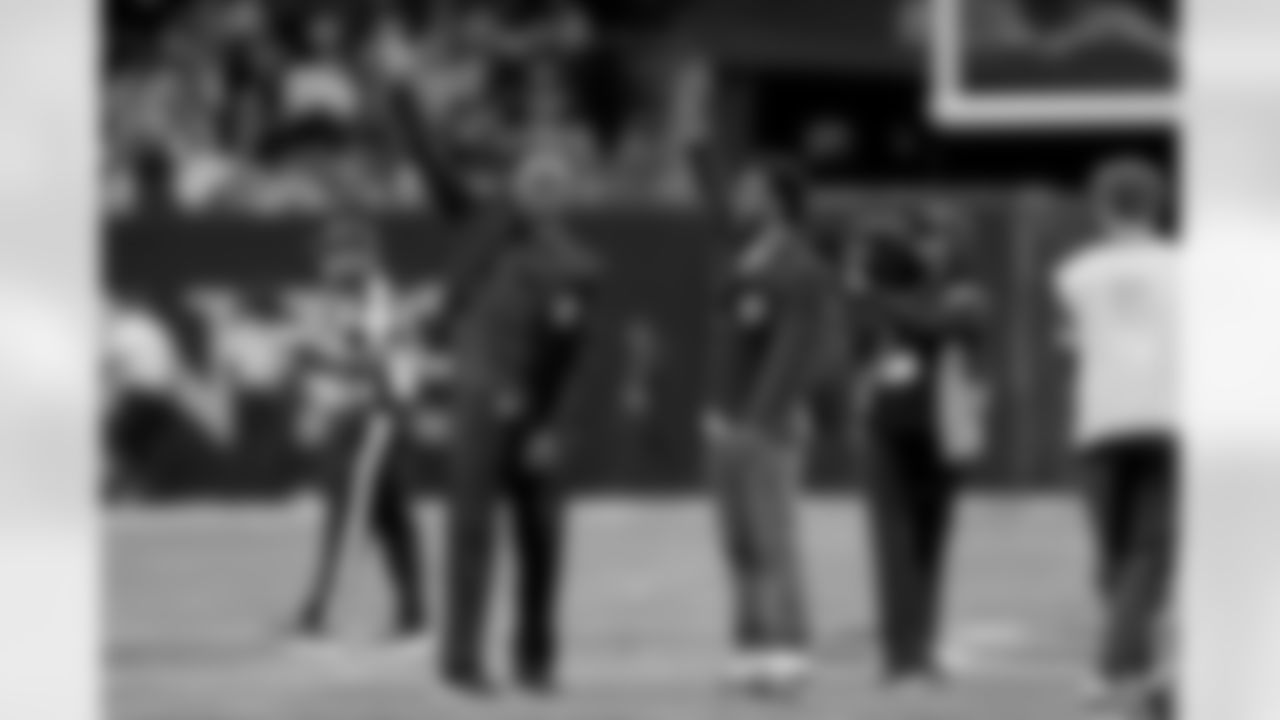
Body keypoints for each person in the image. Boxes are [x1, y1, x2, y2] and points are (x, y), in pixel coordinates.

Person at [393, 89, 602, 695]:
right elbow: (435, 169)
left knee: (540, 538)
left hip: (532, 411)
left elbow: (576, 359)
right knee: (469, 531)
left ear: (565, 196)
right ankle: (461, 660)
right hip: (478, 402)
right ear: (515, 187)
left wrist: (552, 426)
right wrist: (403, 100)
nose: (537, 191)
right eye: (529, 180)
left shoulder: (580, 266)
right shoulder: (481, 226)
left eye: (550, 183)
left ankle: (535, 659)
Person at [690, 138, 844, 694]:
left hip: (766, 425)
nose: (737, 197)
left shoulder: (798, 264)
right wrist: (699, 147)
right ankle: (751, 646)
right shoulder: (743, 254)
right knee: (738, 544)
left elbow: (797, 348)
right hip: (725, 420)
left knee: (773, 539)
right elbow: (714, 205)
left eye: (749, 190)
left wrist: (759, 419)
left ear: (776, 201)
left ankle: (790, 648)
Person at [1053, 158, 1177, 716]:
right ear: (1158, 205)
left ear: (1102, 208)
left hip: (1102, 420)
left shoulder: (1075, 272)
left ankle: (1130, 669)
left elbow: (1070, 346)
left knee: (1115, 555)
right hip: (1170, 418)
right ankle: (1132, 667)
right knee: (1150, 553)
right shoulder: (1190, 267)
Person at [847, 211, 983, 689]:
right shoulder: (881, 297)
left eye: (939, 241)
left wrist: (876, 296)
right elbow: (860, 349)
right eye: (921, 241)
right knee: (891, 544)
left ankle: (922, 650)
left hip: (942, 433)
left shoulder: (963, 298)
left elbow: (934, 326)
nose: (930, 251)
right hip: (886, 430)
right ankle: (896, 654)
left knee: (930, 545)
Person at [290, 217, 433, 650]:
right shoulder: (349, 298)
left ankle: (321, 613)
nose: (326, 264)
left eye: (336, 255)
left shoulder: (375, 300)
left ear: (359, 257)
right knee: (391, 519)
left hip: (374, 416)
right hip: (368, 415)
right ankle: (413, 614)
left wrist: (320, 362)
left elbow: (370, 361)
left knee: (349, 516)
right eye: (327, 255)